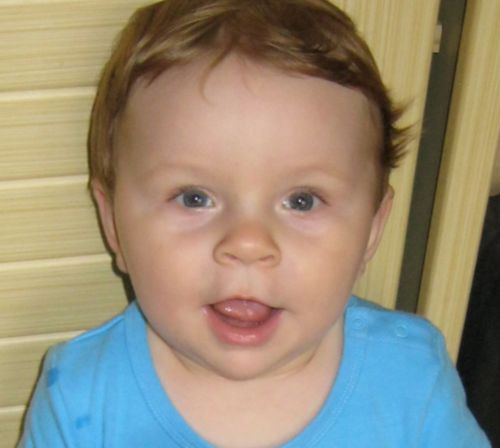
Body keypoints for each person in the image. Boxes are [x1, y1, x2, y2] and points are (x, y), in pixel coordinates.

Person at [19, 0, 490, 446]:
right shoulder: (80, 398)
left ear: (371, 230)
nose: (248, 243)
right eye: (195, 198)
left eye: (302, 201)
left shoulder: (411, 381)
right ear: (113, 225)